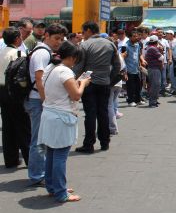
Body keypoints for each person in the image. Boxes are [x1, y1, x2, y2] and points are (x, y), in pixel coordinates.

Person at [38, 41, 90, 203]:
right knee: (60, 156)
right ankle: (60, 192)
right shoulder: (65, 72)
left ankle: (54, 187)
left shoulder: (50, 68)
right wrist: (83, 84)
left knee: (52, 154)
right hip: (61, 116)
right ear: (73, 57)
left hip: (49, 113)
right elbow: (76, 95)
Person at [25, 23, 66, 185]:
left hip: (38, 99)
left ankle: (40, 173)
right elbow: (39, 79)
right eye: (56, 38)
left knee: (42, 138)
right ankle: (36, 175)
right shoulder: (42, 53)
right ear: (46, 35)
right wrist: (46, 101)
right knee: (38, 139)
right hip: (37, 100)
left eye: (61, 39)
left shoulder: (45, 51)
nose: (59, 42)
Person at [73, 21, 121, 154]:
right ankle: (105, 142)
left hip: (89, 84)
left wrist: (74, 82)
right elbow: (117, 66)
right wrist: (110, 79)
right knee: (103, 113)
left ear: (88, 30)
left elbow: (79, 67)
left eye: (83, 32)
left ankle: (89, 144)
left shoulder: (85, 45)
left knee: (90, 115)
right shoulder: (110, 44)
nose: (82, 35)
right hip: (104, 84)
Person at [0, 27, 30, 168]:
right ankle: (30, 159)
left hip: (2, 91)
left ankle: (11, 160)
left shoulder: (1, 52)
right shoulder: (19, 53)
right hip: (15, 92)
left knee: (7, 126)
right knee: (23, 126)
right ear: (17, 39)